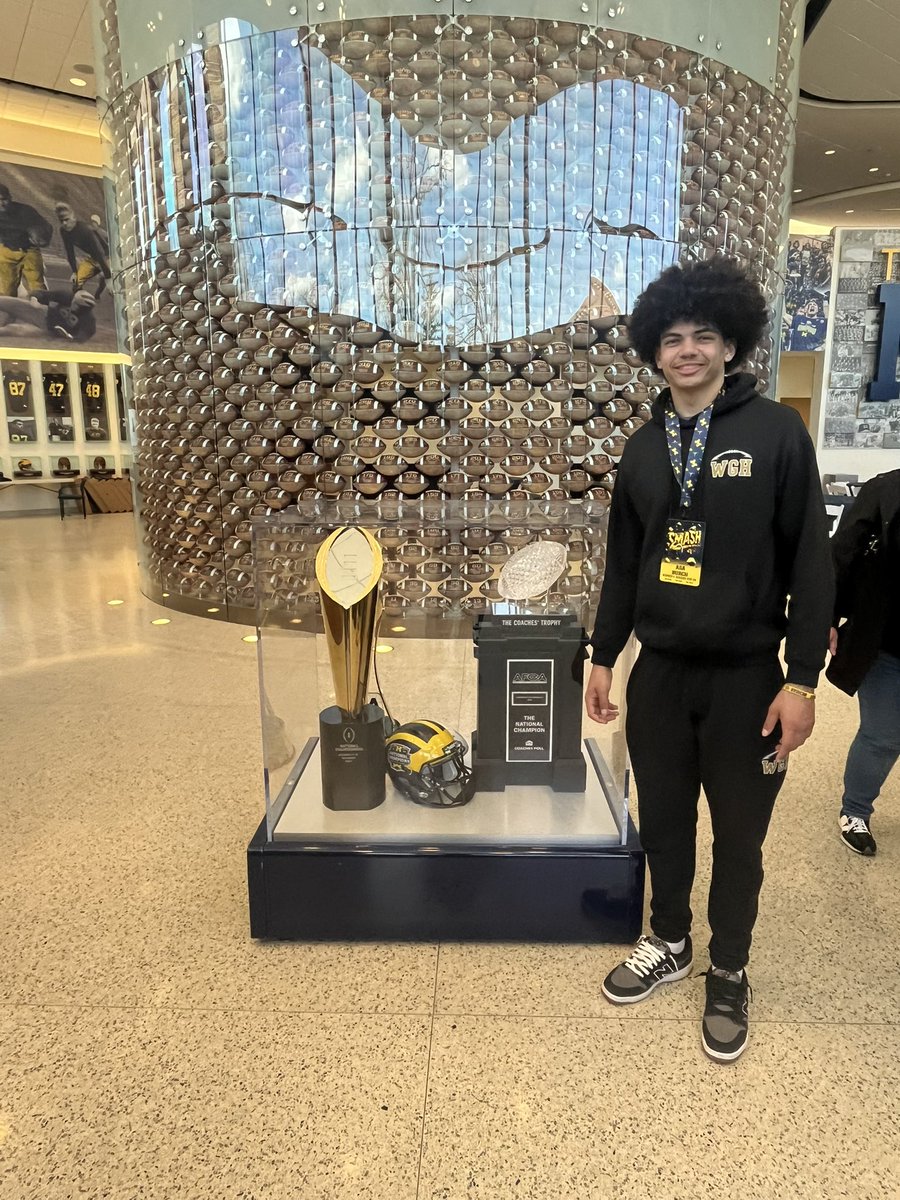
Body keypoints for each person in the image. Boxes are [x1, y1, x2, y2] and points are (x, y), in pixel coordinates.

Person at [585, 256, 833, 1063]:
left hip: (748, 681)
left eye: (704, 336)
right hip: (660, 676)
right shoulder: (641, 451)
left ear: (731, 346)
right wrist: (603, 656)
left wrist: (802, 681)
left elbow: (811, 564)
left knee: (739, 841)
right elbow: (625, 563)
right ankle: (671, 941)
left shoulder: (777, 434)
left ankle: (729, 967)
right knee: (663, 825)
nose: (687, 350)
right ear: (654, 352)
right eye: (672, 338)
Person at [827, 469, 900, 857]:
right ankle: (855, 810)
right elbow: (843, 552)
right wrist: (829, 617)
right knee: (882, 735)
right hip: (886, 641)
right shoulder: (884, 489)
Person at [0, 182, 52, 296]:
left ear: (10, 197)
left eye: (4, 199)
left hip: (29, 250)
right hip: (7, 251)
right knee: (6, 290)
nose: (1, 203)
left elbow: (46, 226)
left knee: (37, 287)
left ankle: (43, 311)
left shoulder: (25, 211)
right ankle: (9, 313)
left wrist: (44, 239)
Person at [54, 203, 111, 298]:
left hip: (108, 255)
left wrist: (108, 278)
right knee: (76, 284)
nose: (64, 223)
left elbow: (100, 253)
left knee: (108, 283)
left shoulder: (86, 230)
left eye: (66, 219)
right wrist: (74, 272)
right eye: (61, 221)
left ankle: (99, 293)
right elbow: (70, 252)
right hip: (94, 257)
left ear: (73, 218)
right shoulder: (63, 231)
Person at [0, 289, 97, 342]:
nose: (73, 304)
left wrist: (69, 337)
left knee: (15, 330)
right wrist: (35, 299)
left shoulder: (88, 320)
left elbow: (83, 336)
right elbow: (41, 293)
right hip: (43, 313)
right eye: (74, 302)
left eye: (77, 305)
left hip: (48, 330)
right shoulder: (67, 296)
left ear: (85, 308)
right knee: (6, 302)